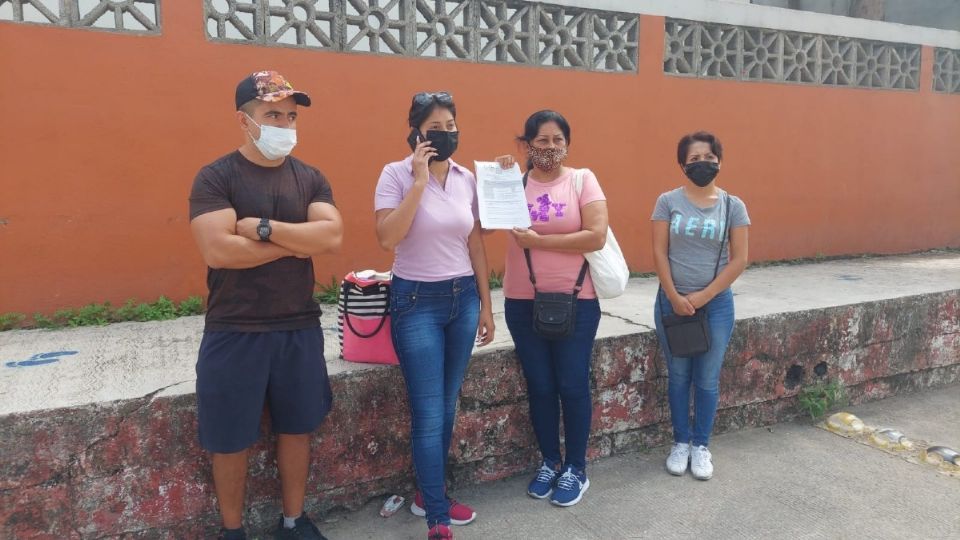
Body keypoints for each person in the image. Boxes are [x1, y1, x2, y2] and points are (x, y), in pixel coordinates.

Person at [188, 70, 343, 539]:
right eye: (272, 113)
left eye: (291, 115)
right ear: (245, 119)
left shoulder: (310, 178)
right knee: (229, 439)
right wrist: (298, 242)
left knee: (297, 428)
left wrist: (260, 228)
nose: (285, 123)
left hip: (298, 326)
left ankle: (293, 522)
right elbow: (218, 251)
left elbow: (332, 235)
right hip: (235, 329)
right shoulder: (216, 177)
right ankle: (232, 531)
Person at [374, 91, 495, 540]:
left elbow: (476, 242)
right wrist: (419, 181)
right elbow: (387, 238)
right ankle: (438, 518)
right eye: (435, 129)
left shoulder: (467, 178)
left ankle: (429, 494)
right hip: (416, 301)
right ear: (415, 133)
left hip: (462, 299)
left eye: (451, 127)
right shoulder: (395, 174)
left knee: (446, 406)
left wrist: (486, 304)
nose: (445, 135)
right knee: (428, 411)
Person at [495, 110, 607, 507]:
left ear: (568, 144)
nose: (550, 148)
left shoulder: (582, 180)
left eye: (558, 140)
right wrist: (498, 175)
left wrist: (537, 241)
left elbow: (596, 235)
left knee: (572, 385)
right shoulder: (513, 183)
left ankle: (576, 468)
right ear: (526, 145)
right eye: (541, 141)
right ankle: (549, 462)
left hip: (577, 301)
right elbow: (485, 219)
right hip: (522, 301)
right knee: (540, 386)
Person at [651, 131, 750, 481]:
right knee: (678, 376)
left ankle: (701, 445)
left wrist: (702, 297)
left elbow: (739, 260)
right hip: (671, 303)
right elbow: (659, 252)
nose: (701, 164)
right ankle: (680, 442)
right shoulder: (667, 201)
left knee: (707, 379)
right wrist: (675, 297)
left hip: (716, 306)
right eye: (693, 160)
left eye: (708, 158)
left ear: (719, 161)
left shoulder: (733, 206)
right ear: (682, 165)